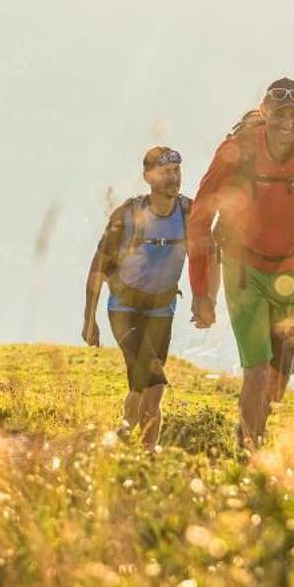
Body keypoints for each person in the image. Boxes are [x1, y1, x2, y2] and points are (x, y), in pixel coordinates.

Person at [189, 78, 294, 453]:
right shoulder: (237, 149)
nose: (286, 123)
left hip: (293, 272)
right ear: (264, 112)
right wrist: (200, 292)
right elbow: (199, 218)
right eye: (279, 113)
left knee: (276, 384)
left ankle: (250, 430)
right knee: (257, 372)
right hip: (244, 270)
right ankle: (250, 458)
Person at [83, 145, 190, 448]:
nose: (174, 177)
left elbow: (208, 255)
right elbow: (98, 267)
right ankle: (147, 459)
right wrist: (89, 319)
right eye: (166, 172)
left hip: (162, 310)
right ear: (148, 177)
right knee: (155, 385)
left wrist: (205, 298)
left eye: (177, 170)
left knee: (141, 388)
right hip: (124, 310)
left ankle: (125, 427)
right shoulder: (128, 215)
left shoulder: (188, 212)